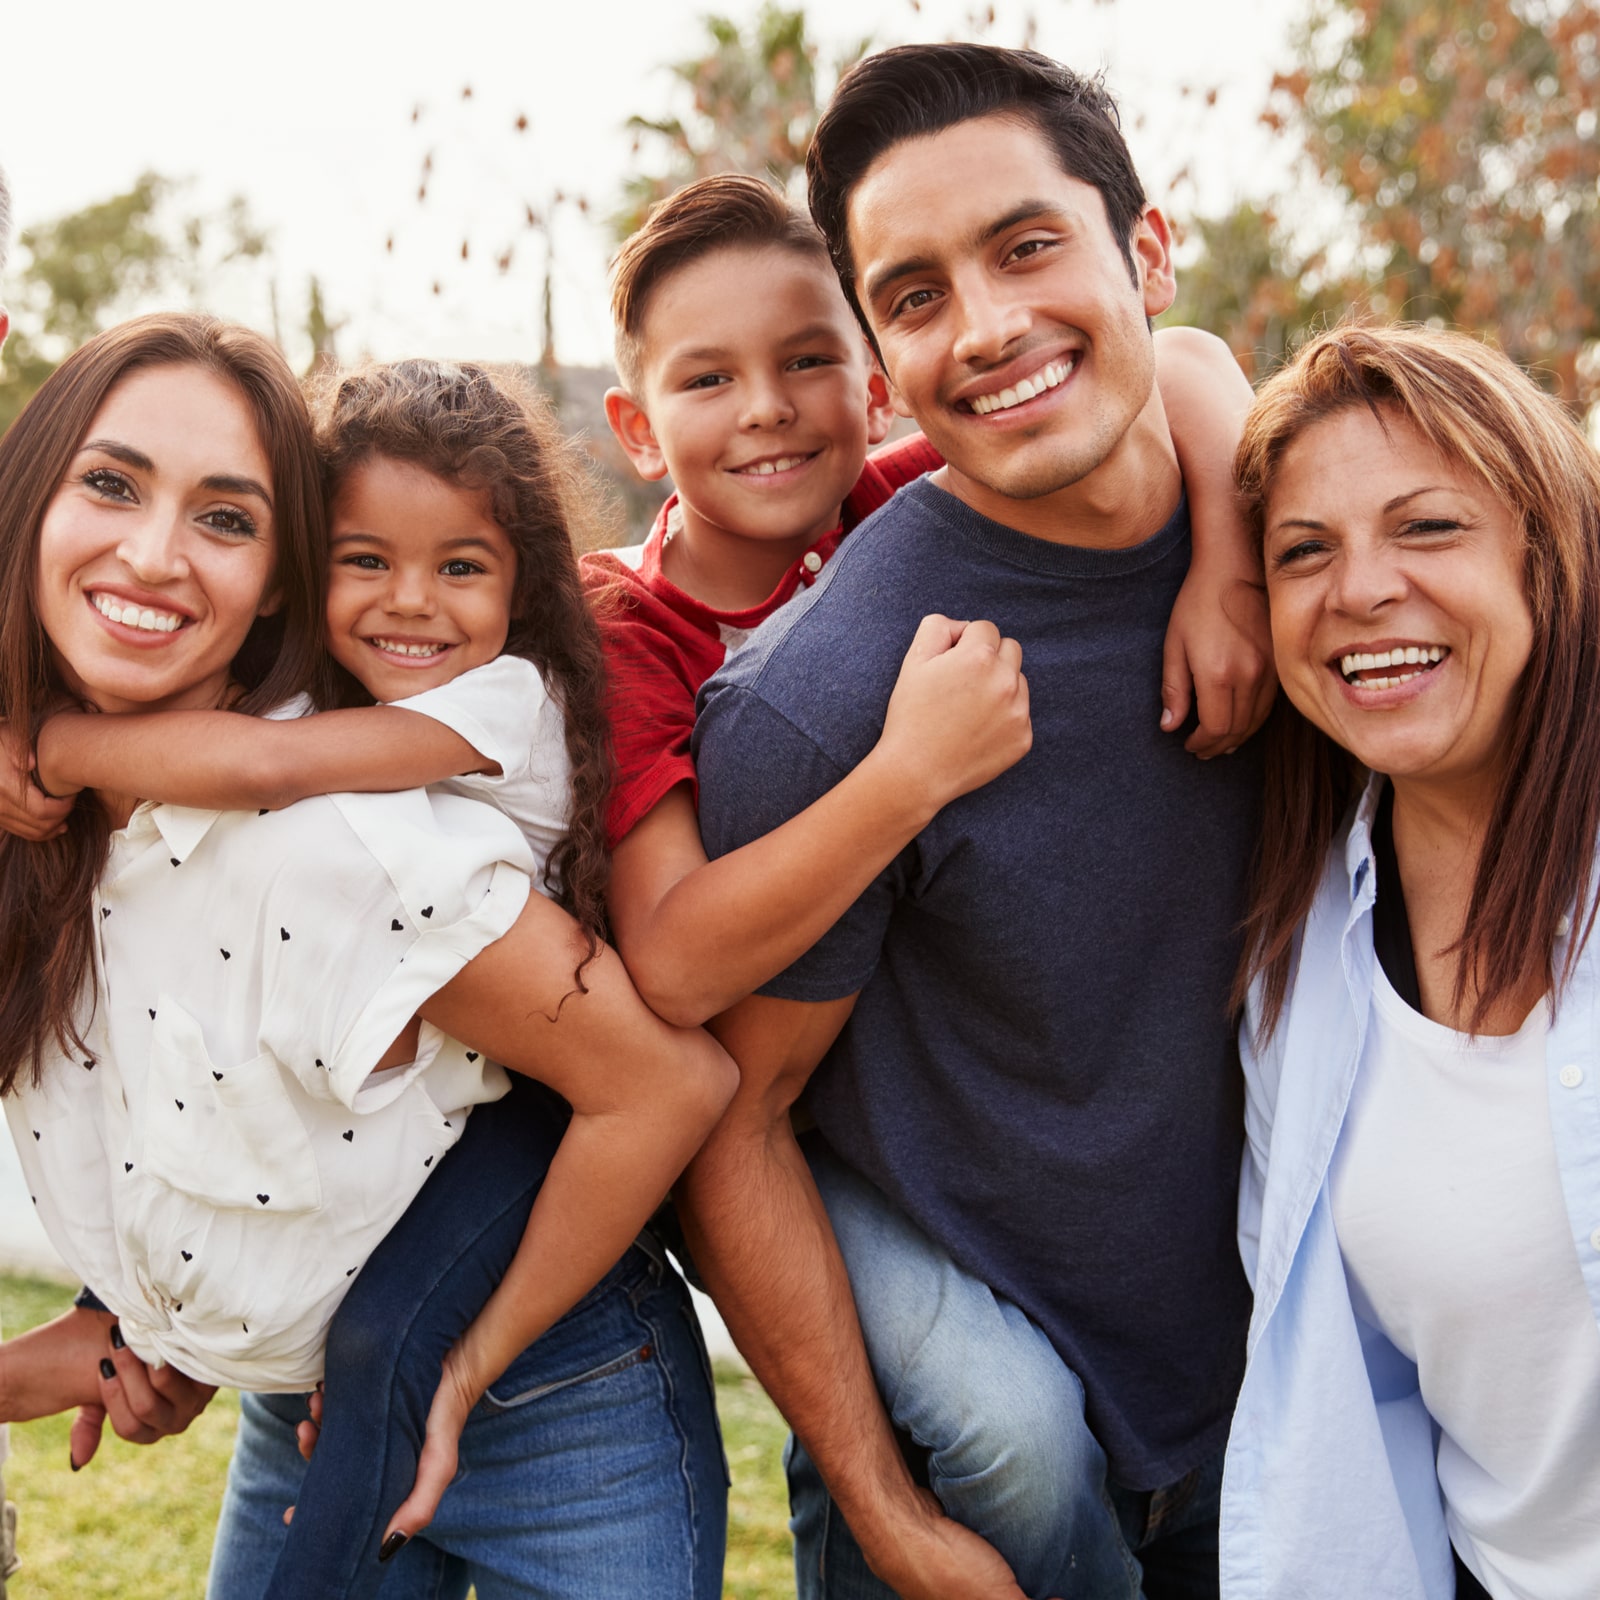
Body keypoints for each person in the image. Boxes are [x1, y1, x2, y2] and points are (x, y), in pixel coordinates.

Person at [0, 313, 738, 1600]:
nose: (155, 551)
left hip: (554, 1397)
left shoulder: (349, 846)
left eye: (226, 518)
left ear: (271, 574)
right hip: (306, 1400)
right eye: (110, 482)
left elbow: (666, 1082)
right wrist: (134, 1320)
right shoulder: (59, 825)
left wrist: (455, 1370)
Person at [683, 43, 1268, 1600]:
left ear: (1143, 252)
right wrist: (887, 1509)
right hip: (982, 1492)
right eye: (920, 293)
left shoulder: (1305, 560)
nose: (990, 327)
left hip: (1282, 1422)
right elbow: (735, 1126)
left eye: (1026, 247)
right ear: (880, 358)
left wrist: (1238, 554)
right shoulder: (830, 707)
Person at [592, 175, 1269, 1044]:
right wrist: (912, 774)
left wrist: (1229, 570)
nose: (767, 408)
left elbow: (1180, 357)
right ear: (640, 430)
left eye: (807, 360)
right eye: (709, 378)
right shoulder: (624, 624)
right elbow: (673, 965)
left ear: (878, 395)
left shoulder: (898, 503)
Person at [1224, 323, 1600, 1600]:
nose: (1362, 590)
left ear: (1547, 560)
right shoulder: (1296, 986)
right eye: (1302, 554)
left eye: (1428, 528)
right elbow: (1356, 1414)